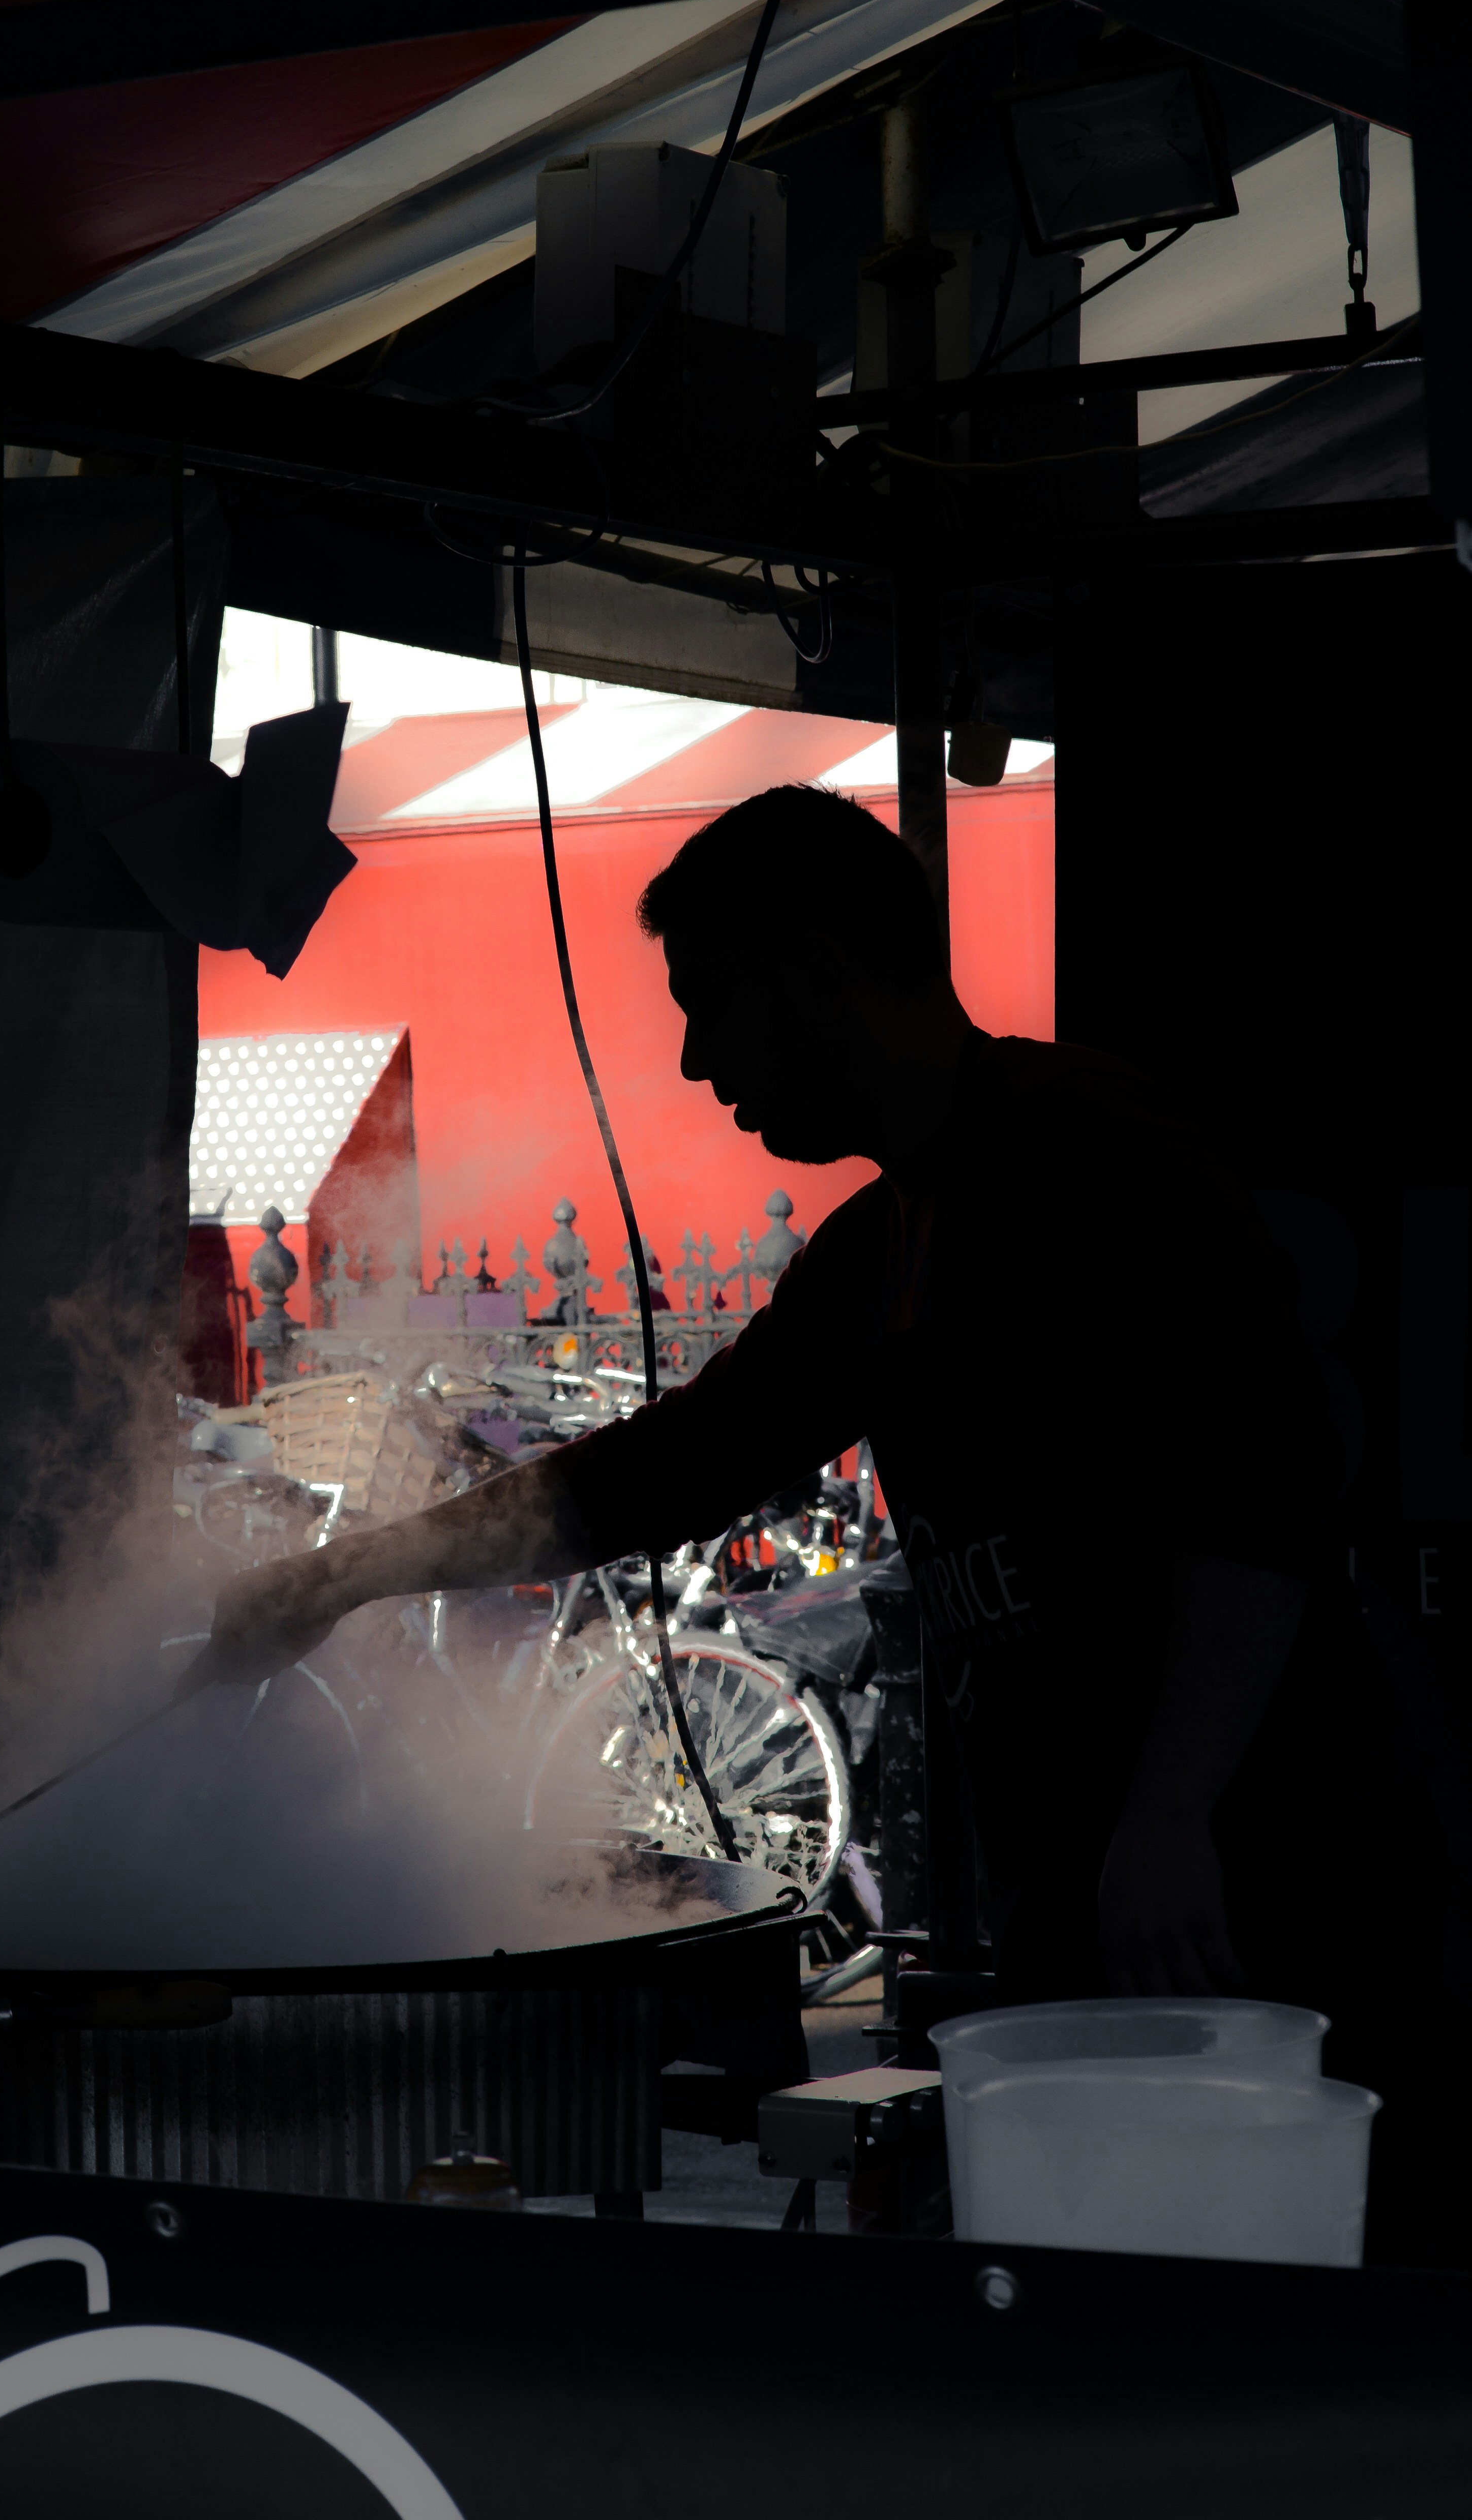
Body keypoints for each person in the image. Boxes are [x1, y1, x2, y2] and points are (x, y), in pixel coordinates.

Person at [202, 786, 1431, 2185]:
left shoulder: (1097, 1152)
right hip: (1102, 1878)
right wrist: (346, 1575)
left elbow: (1256, 1492)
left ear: (819, 973)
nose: (691, 1058)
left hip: (1254, 1869)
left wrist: (1172, 1810)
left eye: (709, 1002)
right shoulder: (879, 1245)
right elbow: (662, 1470)